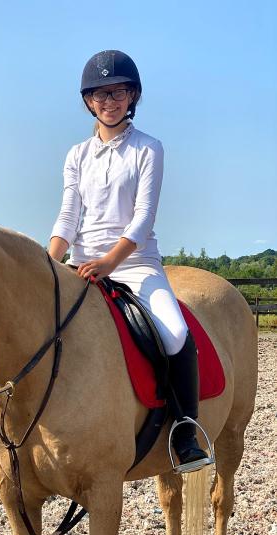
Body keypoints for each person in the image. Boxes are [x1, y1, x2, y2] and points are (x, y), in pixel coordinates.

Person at [49, 49, 213, 473]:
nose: (110, 100)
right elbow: (68, 217)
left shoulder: (148, 149)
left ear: (132, 95)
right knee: (30, 317)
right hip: (82, 265)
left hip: (135, 265)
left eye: (119, 91)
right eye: (101, 93)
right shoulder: (76, 155)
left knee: (176, 334)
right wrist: (47, 264)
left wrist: (110, 261)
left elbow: (142, 219)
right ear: (88, 100)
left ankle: (185, 433)